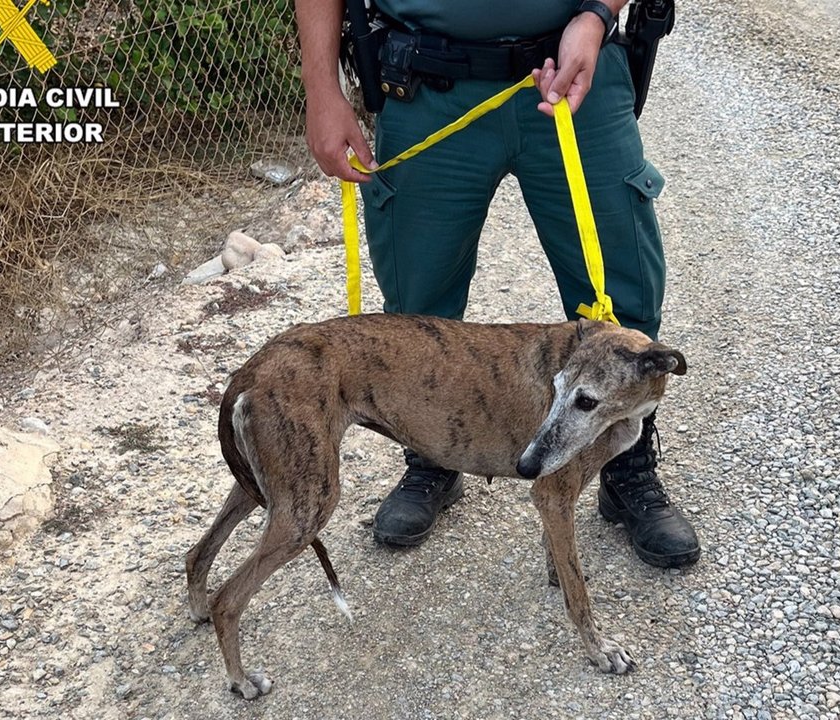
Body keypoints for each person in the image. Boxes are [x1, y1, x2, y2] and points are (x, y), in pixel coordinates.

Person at [295, 0, 700, 568]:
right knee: (417, 306)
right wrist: (322, 89)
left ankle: (623, 464)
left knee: (622, 299)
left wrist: (596, 15)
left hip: (574, 73)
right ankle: (432, 454)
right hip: (425, 83)